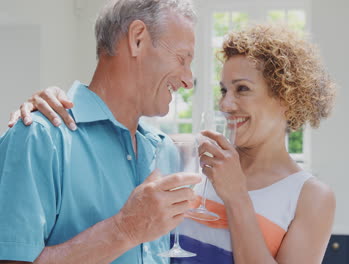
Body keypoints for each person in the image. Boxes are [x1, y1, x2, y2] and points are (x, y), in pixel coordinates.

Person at [10, 24, 337, 263]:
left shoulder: (310, 197)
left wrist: (237, 197)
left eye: (242, 89)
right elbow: (120, 131)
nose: (226, 105)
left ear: (285, 98)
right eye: (224, 90)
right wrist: (55, 102)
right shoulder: (188, 156)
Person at [0, 0, 202, 263]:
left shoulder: (165, 151)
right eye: (182, 59)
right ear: (137, 39)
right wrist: (124, 229)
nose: (188, 80)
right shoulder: (39, 138)